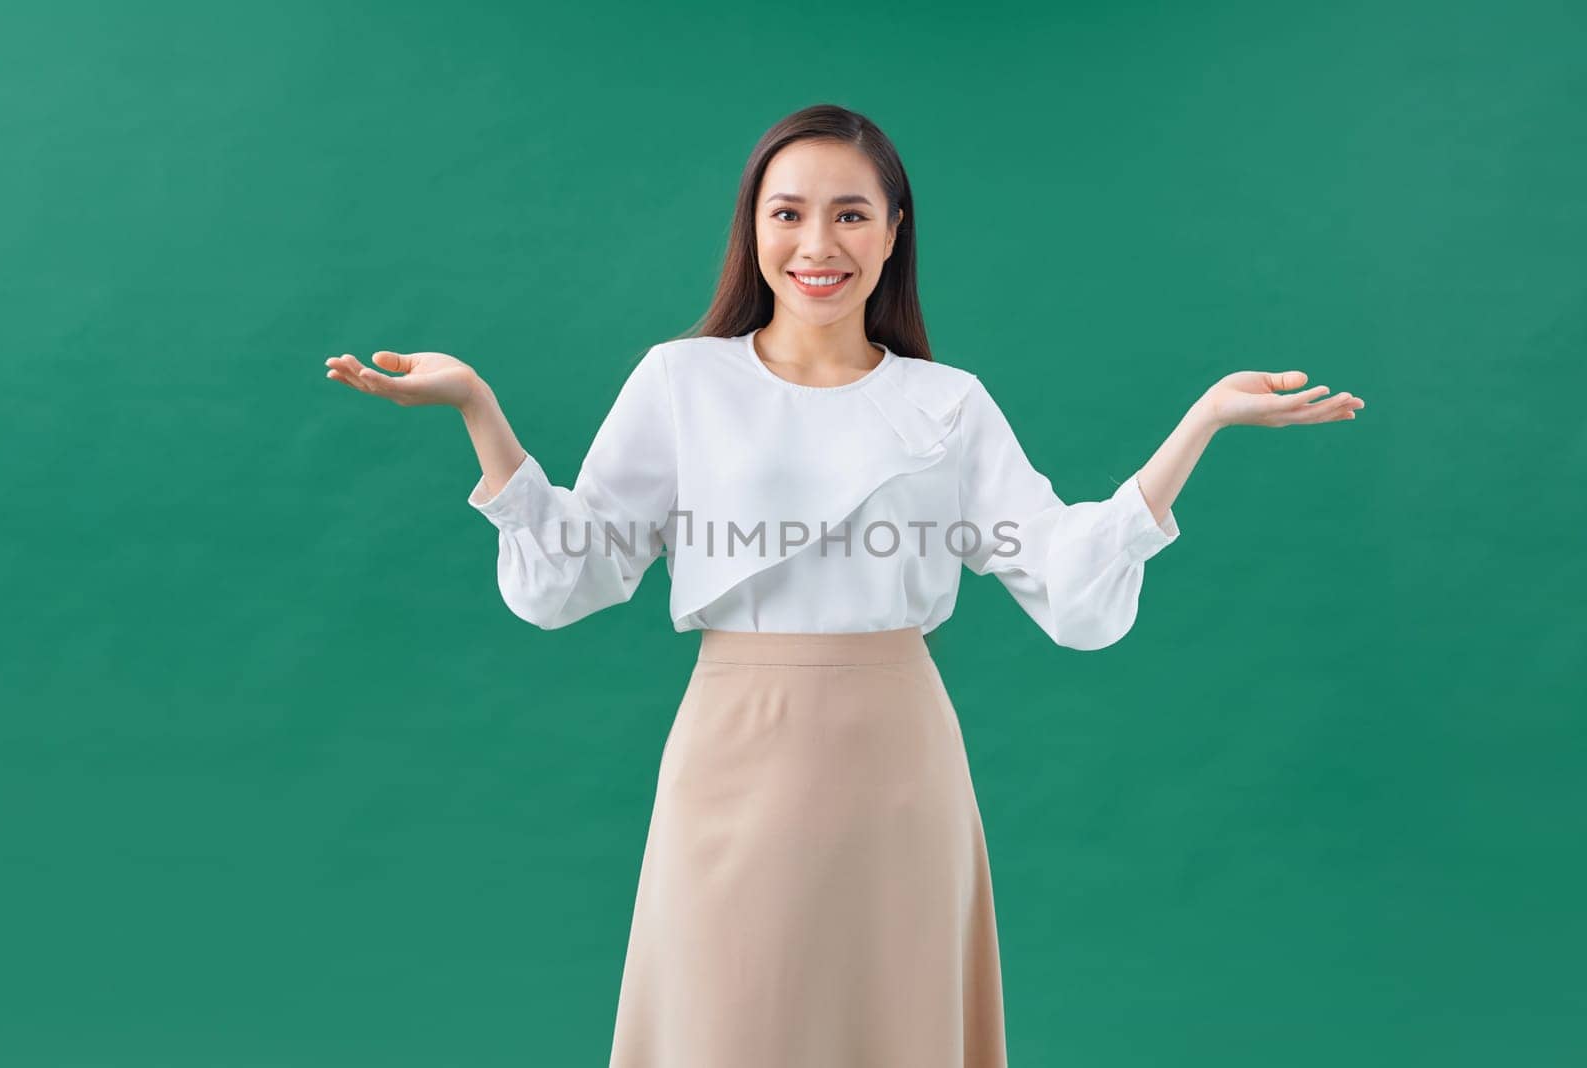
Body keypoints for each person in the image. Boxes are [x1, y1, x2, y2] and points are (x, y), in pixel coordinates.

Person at [323, 104, 1364, 1067]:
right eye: (789, 213)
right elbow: (571, 573)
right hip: (729, 753)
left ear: (893, 231)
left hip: (898, 760)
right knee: (723, 1020)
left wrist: (1198, 429)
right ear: (754, 226)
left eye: (849, 214)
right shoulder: (682, 381)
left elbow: (1067, 581)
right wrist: (478, 409)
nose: (816, 245)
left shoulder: (946, 404)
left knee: (892, 1024)